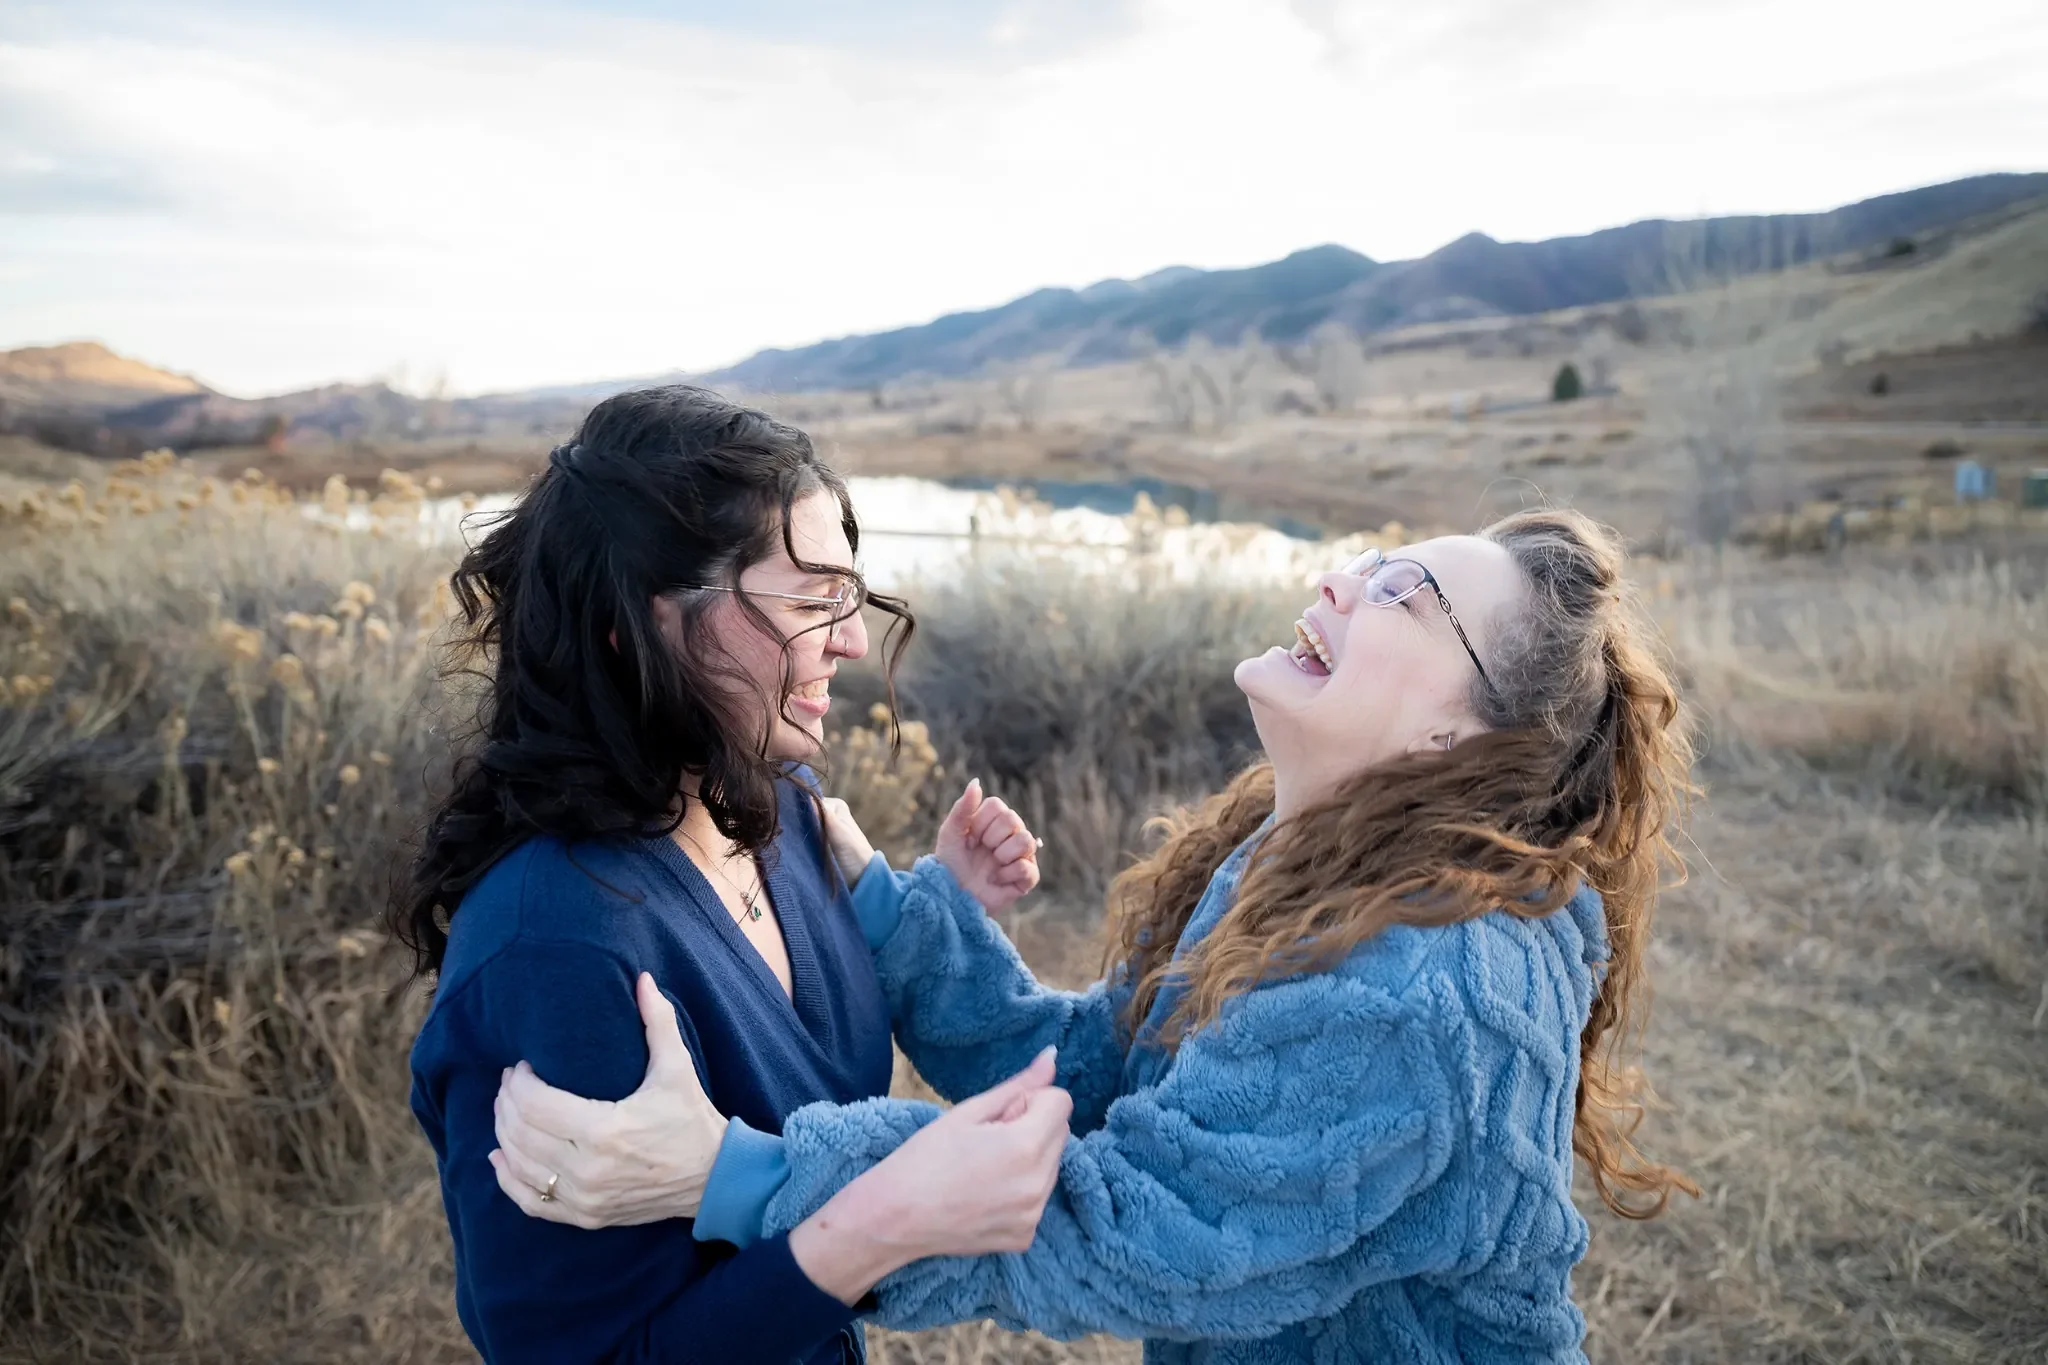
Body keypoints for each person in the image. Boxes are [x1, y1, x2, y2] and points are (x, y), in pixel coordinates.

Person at [492, 506, 1699, 1363]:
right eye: (1376, 555)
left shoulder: (1414, 988)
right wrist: (892, 914)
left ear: (1458, 744)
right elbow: (1107, 1077)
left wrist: (743, 1176)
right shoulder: (1311, 857)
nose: (1345, 577)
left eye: (1408, 596)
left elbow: (1132, 1223)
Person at [396, 385, 1075, 1365]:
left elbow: (793, 1057)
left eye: (848, 597)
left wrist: (933, 915)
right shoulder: (562, 950)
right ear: (641, 623)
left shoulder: (777, 807)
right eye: (808, 602)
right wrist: (885, 1220)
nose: (849, 640)